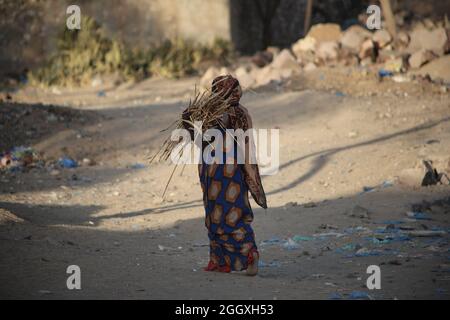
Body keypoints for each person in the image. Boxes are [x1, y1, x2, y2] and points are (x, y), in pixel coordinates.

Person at [183, 75, 267, 276]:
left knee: (215, 214)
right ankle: (248, 252)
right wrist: (251, 175)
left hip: (212, 172)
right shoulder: (243, 113)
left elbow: (199, 141)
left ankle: (220, 261)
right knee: (235, 212)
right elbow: (247, 147)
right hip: (233, 172)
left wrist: (187, 119)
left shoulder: (210, 114)